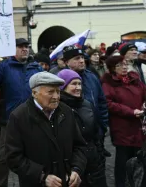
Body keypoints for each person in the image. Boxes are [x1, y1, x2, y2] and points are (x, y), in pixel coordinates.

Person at [0, 38, 43, 187]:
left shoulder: (36, 67)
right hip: (10, 120)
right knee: (3, 157)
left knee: (32, 155)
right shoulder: (5, 66)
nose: (24, 49)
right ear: (13, 50)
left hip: (34, 119)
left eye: (26, 47)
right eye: (20, 47)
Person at [5, 72, 87, 187]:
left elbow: (79, 146)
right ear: (35, 93)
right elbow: (14, 158)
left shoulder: (66, 111)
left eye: (58, 91)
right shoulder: (19, 117)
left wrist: (77, 169)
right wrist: (42, 176)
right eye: (50, 92)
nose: (56, 97)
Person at [101, 55, 146, 187]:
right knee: (123, 157)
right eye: (120, 65)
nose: (124, 67)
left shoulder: (135, 79)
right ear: (112, 68)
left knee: (138, 155)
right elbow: (108, 103)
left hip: (138, 124)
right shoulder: (108, 83)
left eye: (126, 63)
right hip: (122, 126)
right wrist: (131, 111)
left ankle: (136, 181)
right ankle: (121, 183)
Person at [58, 69, 107, 186]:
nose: (78, 87)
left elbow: (96, 135)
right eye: (73, 84)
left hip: (94, 165)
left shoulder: (88, 105)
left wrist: (99, 157)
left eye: (79, 84)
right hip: (73, 167)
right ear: (62, 86)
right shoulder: (57, 109)